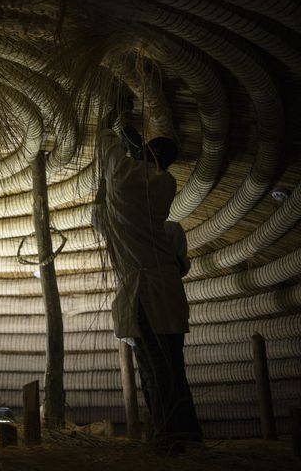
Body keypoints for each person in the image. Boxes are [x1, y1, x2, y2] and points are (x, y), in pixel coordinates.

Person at [92, 125, 202, 453]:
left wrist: (108, 128)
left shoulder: (151, 183)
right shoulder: (153, 206)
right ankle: (181, 436)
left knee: (157, 368)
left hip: (149, 295)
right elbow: (102, 208)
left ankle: (171, 438)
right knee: (166, 365)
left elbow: (114, 170)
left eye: (147, 152)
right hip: (161, 295)